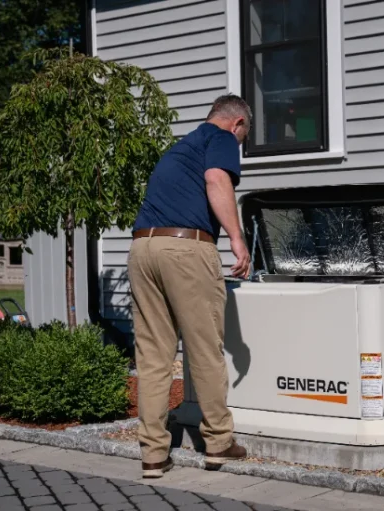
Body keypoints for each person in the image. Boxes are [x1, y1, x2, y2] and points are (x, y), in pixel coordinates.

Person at [127, 94, 252, 478]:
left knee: (152, 357)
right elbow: (217, 180)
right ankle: (217, 444)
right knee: (204, 349)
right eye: (243, 138)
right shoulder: (222, 139)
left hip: (142, 248)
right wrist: (236, 237)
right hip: (185, 249)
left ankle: (153, 455)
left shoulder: (181, 146)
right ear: (237, 124)